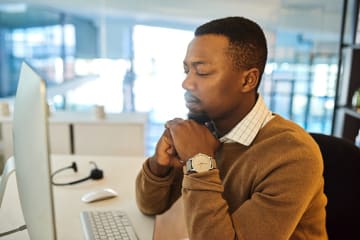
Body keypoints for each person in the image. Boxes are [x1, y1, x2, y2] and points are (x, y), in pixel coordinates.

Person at [135, 16, 328, 239]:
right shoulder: (206, 128)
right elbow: (150, 206)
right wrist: (160, 167)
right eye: (186, 70)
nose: (186, 83)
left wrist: (199, 162)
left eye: (202, 72)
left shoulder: (293, 155)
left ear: (248, 80)